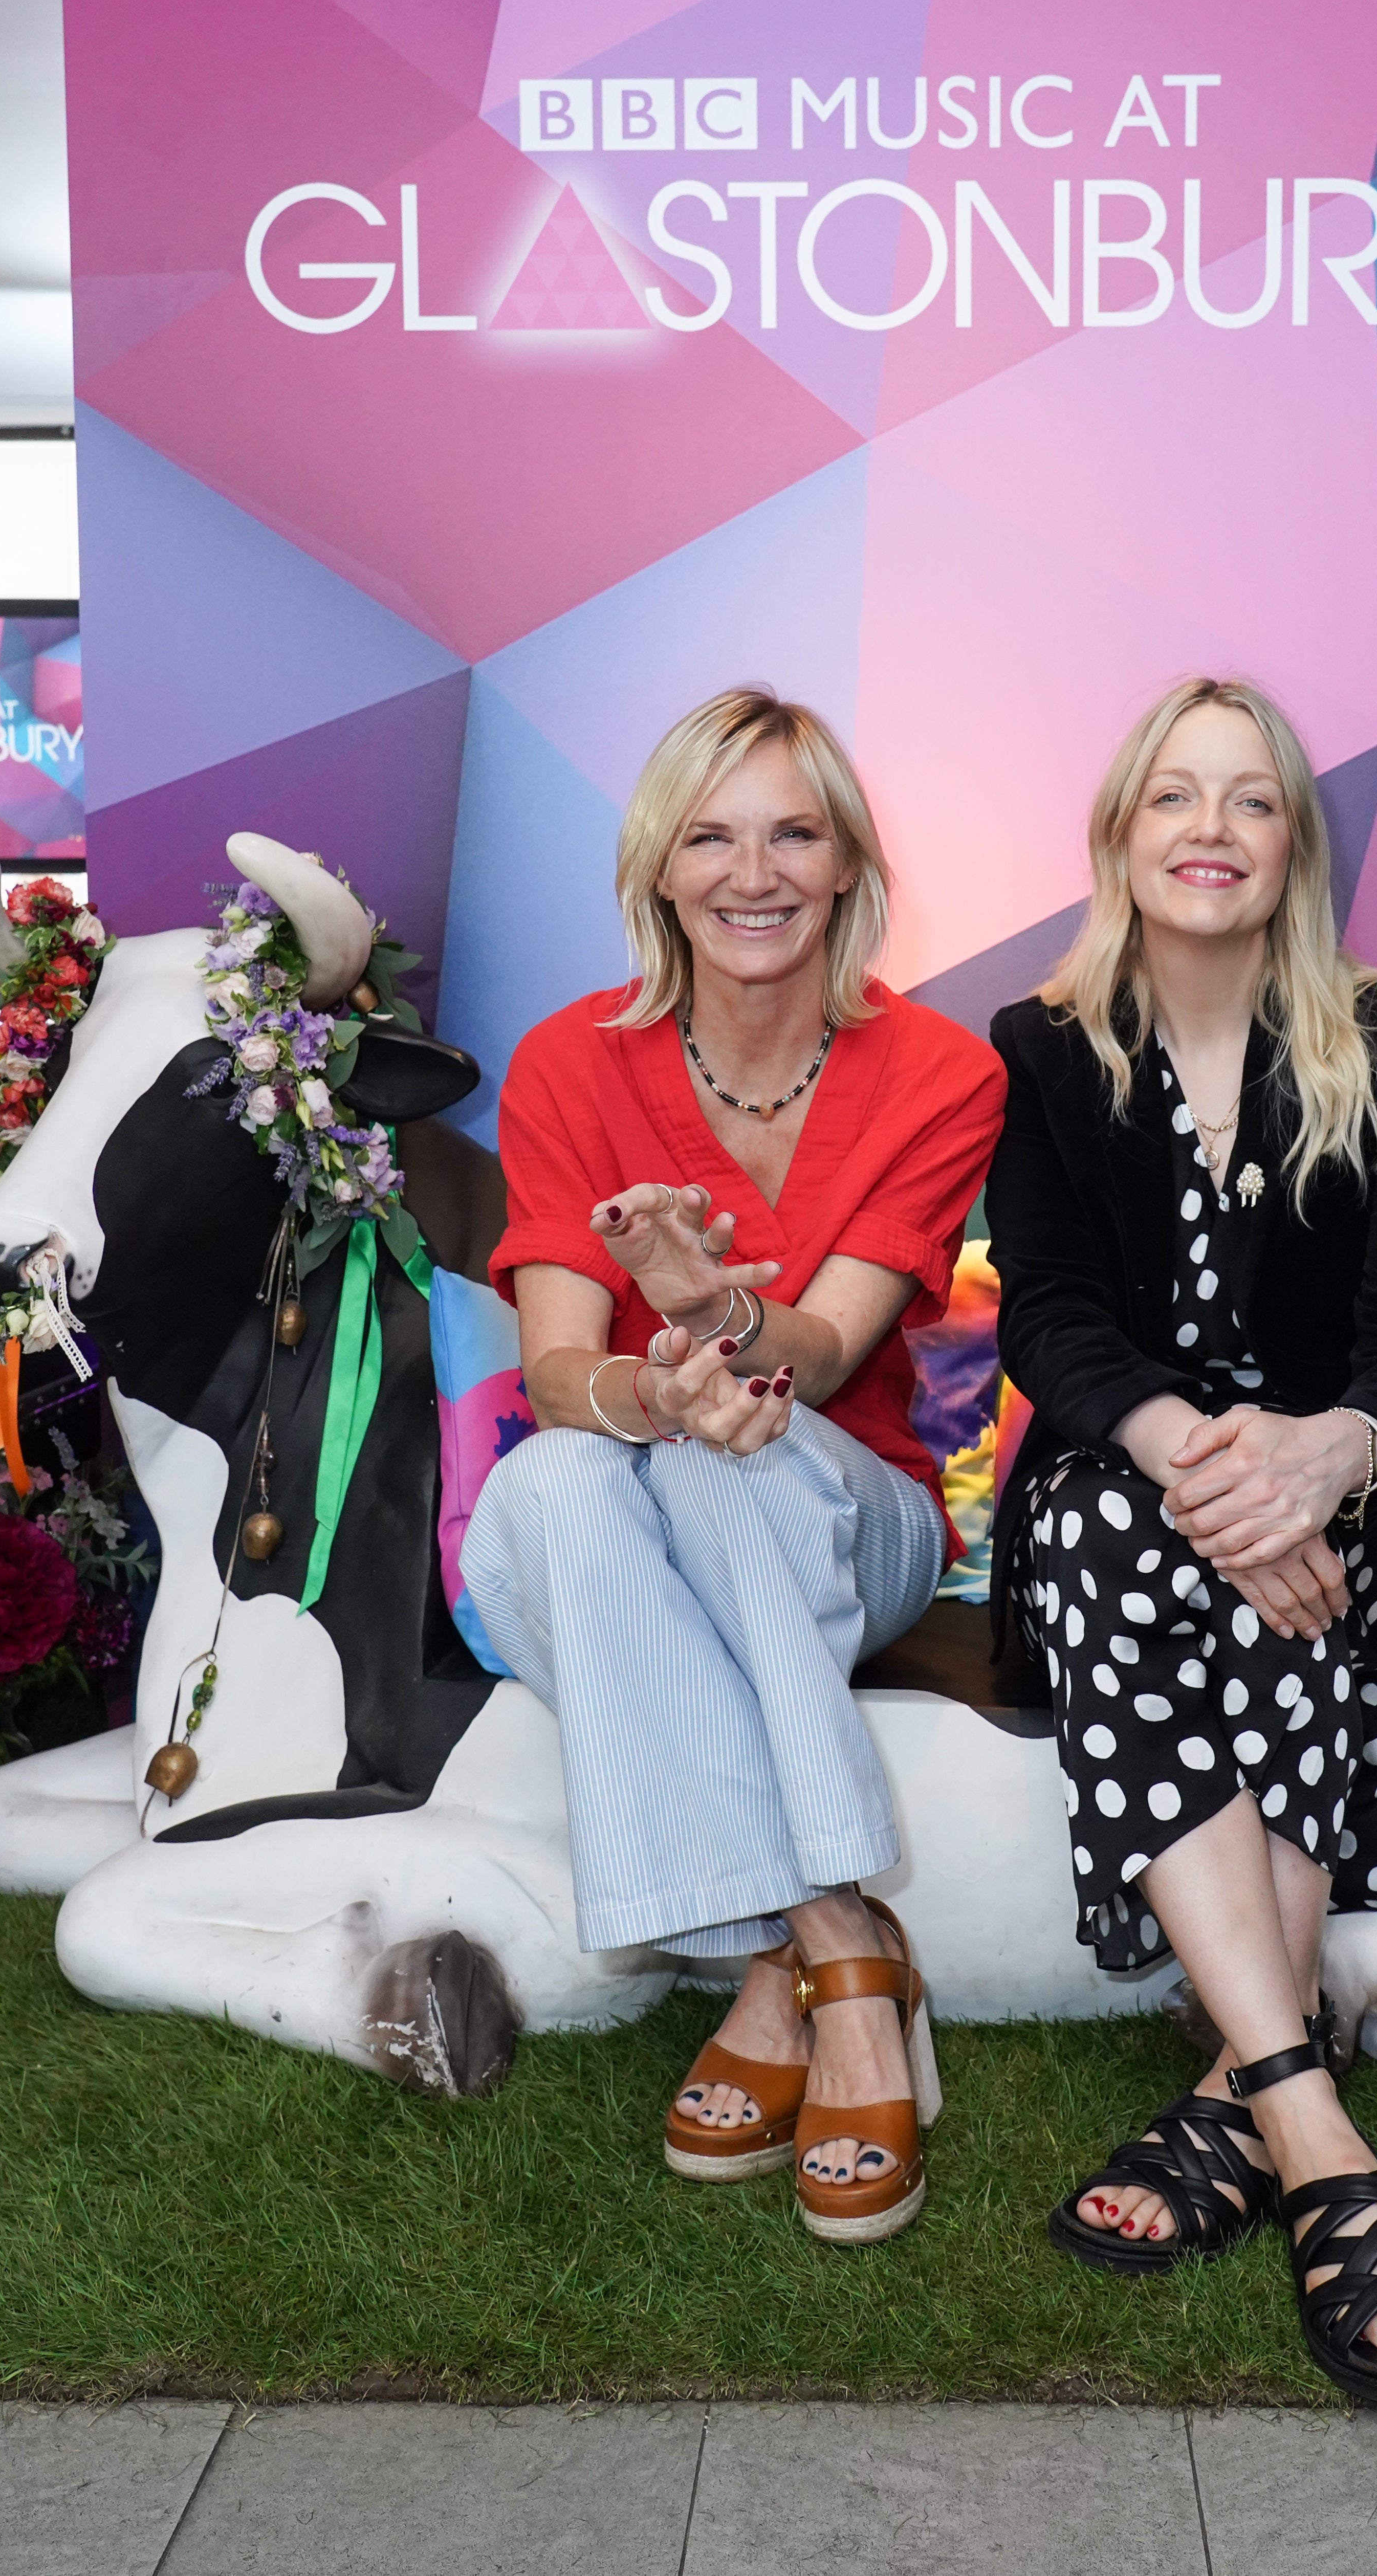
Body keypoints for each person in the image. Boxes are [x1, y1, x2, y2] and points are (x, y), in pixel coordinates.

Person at [986, 677, 1377, 2408]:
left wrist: (1325, 1461)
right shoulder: (1048, 1049)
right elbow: (1054, 1324)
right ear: (1120, 835)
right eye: (1175, 797)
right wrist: (1193, 1465)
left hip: (1361, 1501)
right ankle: (1313, 2125)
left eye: (1252, 801)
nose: (1210, 831)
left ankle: (1235, 2101)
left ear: (1296, 844)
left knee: (1276, 1587)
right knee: (1114, 1536)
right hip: (1134, 1491)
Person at [460, 688, 1004, 2244]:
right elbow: (556, 1376)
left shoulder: (941, 1074)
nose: (750, 873)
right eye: (708, 835)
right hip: (618, 1500)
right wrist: (646, 1381)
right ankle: (834, 1939)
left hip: (856, 1515)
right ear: (658, 869)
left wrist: (721, 1313)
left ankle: (785, 1968)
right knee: (567, 1481)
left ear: (845, 866)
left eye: (790, 832)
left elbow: (826, 1354)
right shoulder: (569, 1064)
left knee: (723, 1473)